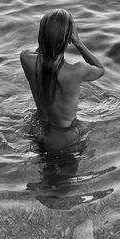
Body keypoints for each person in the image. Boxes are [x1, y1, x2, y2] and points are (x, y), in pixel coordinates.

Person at [20, 9, 104, 153]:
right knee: (63, 175)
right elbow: (100, 69)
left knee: (44, 172)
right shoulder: (77, 71)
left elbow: (40, 53)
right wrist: (78, 43)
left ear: (42, 35)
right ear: (67, 39)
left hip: (37, 128)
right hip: (63, 138)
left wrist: (46, 41)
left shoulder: (26, 58)